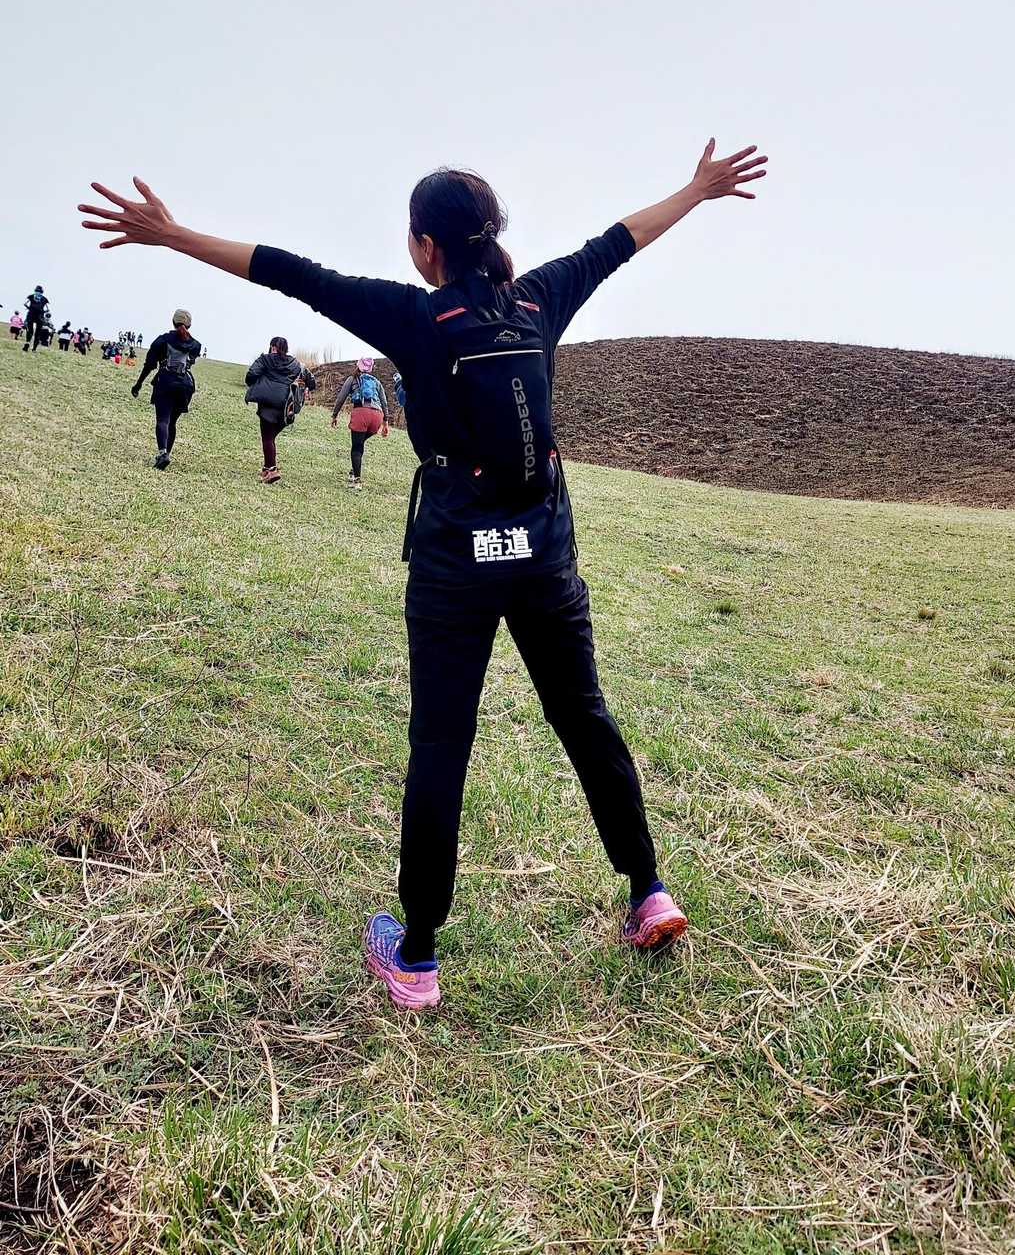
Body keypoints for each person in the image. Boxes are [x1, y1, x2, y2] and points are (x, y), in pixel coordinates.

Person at [78, 142, 767, 1009]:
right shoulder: (539, 299)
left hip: (455, 560)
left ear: (426, 246)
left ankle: (417, 956)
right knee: (584, 717)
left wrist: (173, 235)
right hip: (544, 550)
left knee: (442, 743)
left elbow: (287, 271)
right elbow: (620, 239)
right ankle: (648, 891)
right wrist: (698, 190)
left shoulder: (412, 316)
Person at [130, 308, 202, 468]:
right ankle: (166, 454)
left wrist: (139, 383)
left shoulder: (162, 340)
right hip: (185, 385)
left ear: (173, 322)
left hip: (165, 381)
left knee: (163, 419)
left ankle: (162, 454)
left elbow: (149, 365)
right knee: (172, 422)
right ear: (189, 325)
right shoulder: (196, 345)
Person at [244, 335, 316, 483]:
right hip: (286, 407)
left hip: (267, 404)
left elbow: (250, 376)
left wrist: (259, 383)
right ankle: (267, 468)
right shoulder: (296, 364)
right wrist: (304, 387)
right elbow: (312, 382)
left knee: (268, 438)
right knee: (270, 438)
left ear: (273, 347)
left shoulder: (265, 359)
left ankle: (272, 470)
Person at [331, 357, 389, 487]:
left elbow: (341, 398)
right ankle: (354, 470)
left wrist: (334, 415)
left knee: (356, 447)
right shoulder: (376, 382)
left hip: (361, 413)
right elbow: (384, 402)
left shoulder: (352, 379)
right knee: (360, 442)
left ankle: (356, 481)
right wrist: (385, 422)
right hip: (377, 416)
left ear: (358, 366)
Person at [23, 286, 49, 352]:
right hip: (40, 316)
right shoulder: (44, 299)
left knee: (30, 331)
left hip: (31, 315)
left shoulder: (31, 296)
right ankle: (34, 349)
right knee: (37, 333)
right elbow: (47, 309)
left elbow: (25, 303)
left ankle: (27, 344)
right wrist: (43, 311)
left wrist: (30, 308)